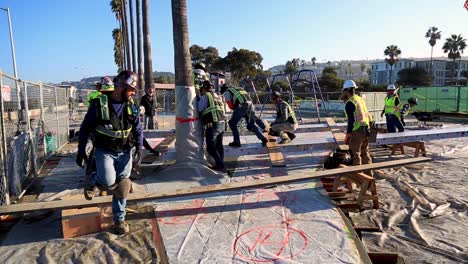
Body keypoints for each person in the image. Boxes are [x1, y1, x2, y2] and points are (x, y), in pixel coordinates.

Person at [76, 70, 143, 235]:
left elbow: (138, 129)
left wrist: (140, 148)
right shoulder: (99, 104)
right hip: (105, 150)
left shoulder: (132, 106)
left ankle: (119, 220)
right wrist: (81, 150)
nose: (133, 93)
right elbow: (85, 128)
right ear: (121, 86)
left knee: (122, 187)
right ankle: (92, 179)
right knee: (107, 182)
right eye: (131, 89)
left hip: (125, 151)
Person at [197, 80, 226, 172]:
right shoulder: (218, 96)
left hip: (213, 124)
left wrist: (198, 99)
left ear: (204, 88)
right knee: (219, 145)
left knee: (210, 146)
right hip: (222, 123)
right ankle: (221, 163)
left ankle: (220, 165)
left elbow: (199, 108)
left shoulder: (206, 96)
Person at [342, 80, 372, 166]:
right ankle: (369, 173)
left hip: (357, 131)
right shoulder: (360, 99)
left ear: (346, 91)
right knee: (365, 152)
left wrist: (348, 134)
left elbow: (351, 120)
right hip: (366, 129)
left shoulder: (350, 103)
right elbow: (368, 114)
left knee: (355, 154)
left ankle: (357, 175)